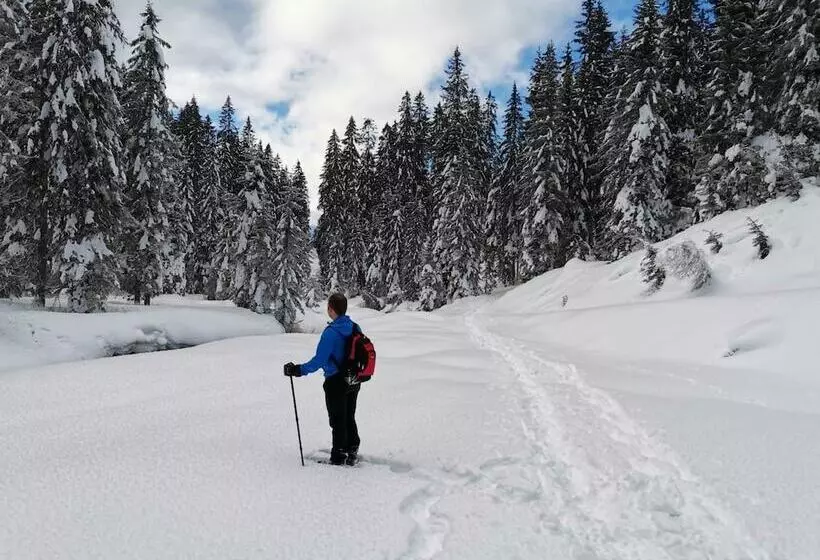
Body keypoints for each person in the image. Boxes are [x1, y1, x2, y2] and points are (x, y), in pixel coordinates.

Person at [284, 294, 361, 466]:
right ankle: (352, 447)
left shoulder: (331, 333)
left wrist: (298, 370)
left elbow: (320, 360)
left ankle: (339, 455)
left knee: (337, 419)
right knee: (349, 415)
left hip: (336, 380)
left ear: (331, 309)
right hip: (354, 378)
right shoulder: (355, 327)